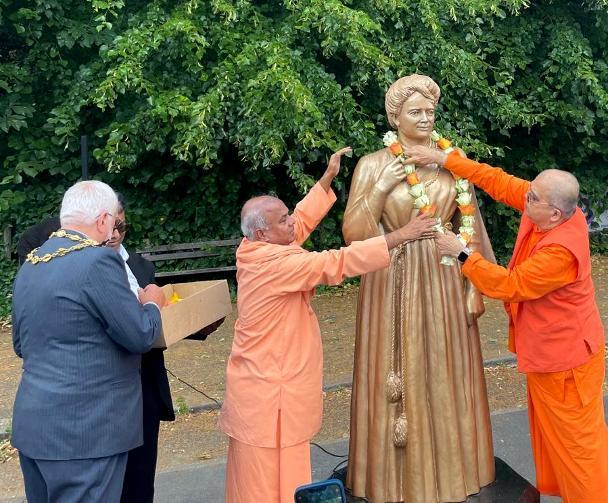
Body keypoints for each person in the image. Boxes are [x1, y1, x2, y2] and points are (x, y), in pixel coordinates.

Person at [405, 144, 608, 503]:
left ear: (554, 213)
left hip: (566, 362)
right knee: (564, 439)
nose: (525, 196)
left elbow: (511, 285)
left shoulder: (560, 250)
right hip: (552, 354)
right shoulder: (545, 208)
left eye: (532, 196)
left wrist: (461, 253)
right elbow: (498, 181)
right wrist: (445, 159)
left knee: (578, 444)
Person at [218, 147, 436, 503]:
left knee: (257, 476)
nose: (291, 223)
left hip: (259, 390)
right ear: (262, 234)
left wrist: (327, 178)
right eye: (283, 220)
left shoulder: (253, 247)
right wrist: (402, 234)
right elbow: (337, 262)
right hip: (271, 395)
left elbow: (299, 223)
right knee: (267, 482)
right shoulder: (277, 265)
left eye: (287, 215)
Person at [342, 74, 496, 503]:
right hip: (390, 277)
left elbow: (471, 227)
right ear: (396, 117)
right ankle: (393, 478)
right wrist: (381, 186)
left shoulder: (452, 161)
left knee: (448, 367)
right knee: (395, 367)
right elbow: (354, 233)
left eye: (430, 111)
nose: (426, 118)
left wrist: (476, 285)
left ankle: (455, 470)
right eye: (416, 112)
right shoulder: (373, 164)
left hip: (446, 274)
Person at [11, 180, 165, 503]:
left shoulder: (33, 262)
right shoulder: (98, 261)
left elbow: (21, 345)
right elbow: (140, 335)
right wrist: (152, 302)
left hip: (35, 426)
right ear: (103, 220)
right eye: (113, 222)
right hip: (87, 432)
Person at [107, 194, 223, 503]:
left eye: (121, 226)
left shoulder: (141, 266)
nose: (115, 234)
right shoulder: (87, 270)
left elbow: (159, 317)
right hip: (108, 391)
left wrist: (197, 325)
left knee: (141, 481)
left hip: (144, 387)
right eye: (109, 226)